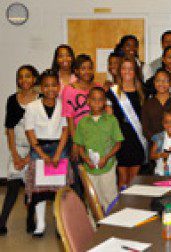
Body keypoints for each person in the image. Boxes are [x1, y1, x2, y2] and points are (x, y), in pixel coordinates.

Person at [24, 70, 71, 237]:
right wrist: (42, 154)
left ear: (58, 87)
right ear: (41, 88)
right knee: (40, 190)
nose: (50, 88)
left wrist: (58, 153)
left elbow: (66, 130)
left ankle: (60, 223)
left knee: (59, 189)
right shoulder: (32, 107)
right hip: (39, 149)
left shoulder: (63, 104)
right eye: (46, 85)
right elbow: (29, 131)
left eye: (54, 85)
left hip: (59, 148)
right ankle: (41, 224)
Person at [0, 65, 39, 236]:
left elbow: (43, 132)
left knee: (31, 189)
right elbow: (9, 129)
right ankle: (2, 222)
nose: (24, 80)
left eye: (28, 76)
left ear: (34, 79)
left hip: (35, 151)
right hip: (17, 150)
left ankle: (31, 220)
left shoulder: (41, 100)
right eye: (21, 76)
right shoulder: (11, 100)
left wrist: (29, 157)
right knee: (13, 187)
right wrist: (15, 155)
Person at [74, 87, 123, 209]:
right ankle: (94, 225)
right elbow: (79, 144)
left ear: (105, 102)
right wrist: (85, 158)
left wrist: (106, 158)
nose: (97, 102)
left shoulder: (112, 121)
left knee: (109, 197)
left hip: (107, 165)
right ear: (88, 101)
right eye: (93, 99)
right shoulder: (82, 122)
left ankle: (111, 225)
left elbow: (118, 143)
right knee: (93, 198)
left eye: (100, 99)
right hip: (89, 167)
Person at [61, 54, 100, 198]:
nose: (87, 71)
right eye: (83, 68)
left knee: (94, 175)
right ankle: (80, 211)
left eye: (90, 68)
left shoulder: (97, 87)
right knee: (79, 177)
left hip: (97, 138)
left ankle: (95, 210)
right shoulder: (69, 90)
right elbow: (69, 117)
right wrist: (76, 142)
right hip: (78, 137)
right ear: (76, 71)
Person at [106, 58, 147, 188]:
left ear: (136, 72)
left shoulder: (143, 91)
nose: (127, 71)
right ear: (119, 71)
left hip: (137, 139)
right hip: (120, 139)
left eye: (131, 68)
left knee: (135, 180)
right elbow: (109, 117)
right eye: (124, 68)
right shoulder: (114, 91)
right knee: (122, 179)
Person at [142, 69, 171, 141]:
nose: (161, 83)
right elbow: (145, 129)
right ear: (154, 82)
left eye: (165, 80)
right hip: (154, 146)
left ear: (170, 83)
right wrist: (158, 141)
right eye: (158, 80)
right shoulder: (147, 104)